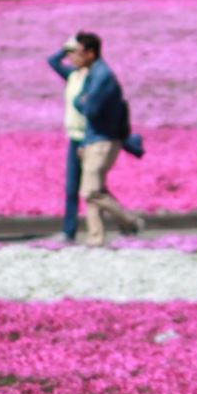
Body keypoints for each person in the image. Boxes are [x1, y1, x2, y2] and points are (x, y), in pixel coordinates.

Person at [66, 30, 144, 247]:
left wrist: (80, 102)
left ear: (90, 53)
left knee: (90, 191)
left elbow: (90, 108)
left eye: (78, 52)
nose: (73, 57)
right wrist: (83, 142)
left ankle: (130, 221)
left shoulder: (102, 76)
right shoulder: (93, 73)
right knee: (94, 191)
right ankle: (96, 239)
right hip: (93, 139)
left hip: (103, 140)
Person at [46, 35, 91, 242]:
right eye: (70, 54)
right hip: (74, 138)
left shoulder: (93, 78)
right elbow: (52, 61)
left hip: (88, 139)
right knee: (72, 188)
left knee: (95, 189)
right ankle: (68, 230)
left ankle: (125, 221)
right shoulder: (72, 75)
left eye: (75, 53)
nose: (71, 57)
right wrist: (66, 47)